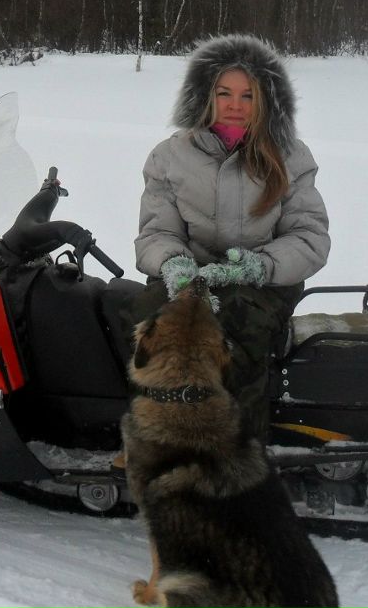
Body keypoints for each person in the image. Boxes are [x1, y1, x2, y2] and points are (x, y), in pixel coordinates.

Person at [125, 33, 331, 441]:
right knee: (149, 323)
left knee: (236, 324)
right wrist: (173, 263)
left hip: (263, 283)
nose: (235, 105)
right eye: (224, 93)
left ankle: (238, 450)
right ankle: (154, 440)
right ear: (204, 95)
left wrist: (261, 266)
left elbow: (308, 237)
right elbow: (157, 230)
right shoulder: (169, 156)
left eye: (248, 95)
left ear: (267, 100)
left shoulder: (290, 156)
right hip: (187, 277)